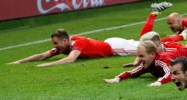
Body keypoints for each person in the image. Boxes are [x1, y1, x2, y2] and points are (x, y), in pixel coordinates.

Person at [8, 29, 139, 67]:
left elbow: (71, 60)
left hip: (115, 48)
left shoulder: (77, 43)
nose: (55, 46)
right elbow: (42, 55)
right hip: (110, 43)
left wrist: (47, 65)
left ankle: (154, 13)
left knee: (147, 49)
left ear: (65, 40)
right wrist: (18, 62)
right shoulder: (64, 47)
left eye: (55, 43)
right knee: (144, 44)